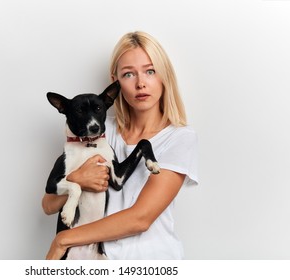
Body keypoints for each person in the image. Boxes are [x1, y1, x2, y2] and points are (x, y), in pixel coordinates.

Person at [42, 31, 198, 260]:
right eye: (128, 74)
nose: (141, 83)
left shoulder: (179, 138)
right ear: (116, 83)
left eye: (150, 71)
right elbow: (48, 205)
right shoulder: (98, 132)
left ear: (164, 76)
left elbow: (140, 219)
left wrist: (63, 239)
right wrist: (78, 180)